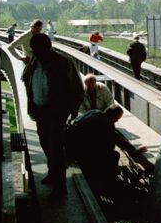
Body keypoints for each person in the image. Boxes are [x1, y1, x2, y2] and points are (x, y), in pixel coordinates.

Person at [22, 33, 84, 199]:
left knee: (55, 147)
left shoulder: (63, 62)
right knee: (44, 142)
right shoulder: (35, 61)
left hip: (56, 112)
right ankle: (52, 174)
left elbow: (77, 88)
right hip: (40, 111)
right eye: (34, 49)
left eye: (38, 49)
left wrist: (72, 110)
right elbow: (26, 78)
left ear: (47, 47)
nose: (35, 52)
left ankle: (60, 186)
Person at [66, 104, 124, 190]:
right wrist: (133, 150)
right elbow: (116, 139)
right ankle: (111, 181)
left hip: (70, 146)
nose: (116, 121)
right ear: (113, 117)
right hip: (81, 153)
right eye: (117, 119)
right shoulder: (107, 123)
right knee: (114, 155)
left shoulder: (94, 112)